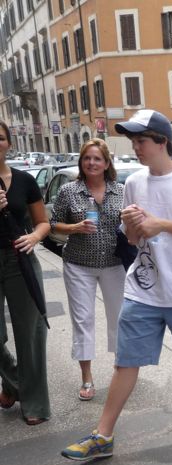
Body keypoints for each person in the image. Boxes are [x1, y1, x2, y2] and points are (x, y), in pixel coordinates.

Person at [62, 109, 172, 461]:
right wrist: (133, 226)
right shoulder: (134, 183)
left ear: (162, 142)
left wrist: (161, 224)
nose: (136, 147)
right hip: (143, 288)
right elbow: (132, 239)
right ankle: (103, 435)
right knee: (126, 362)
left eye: (141, 140)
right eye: (133, 141)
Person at [51, 139, 126, 401]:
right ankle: (87, 377)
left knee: (119, 317)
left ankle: (121, 370)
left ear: (106, 163)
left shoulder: (121, 191)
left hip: (115, 264)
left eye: (97, 158)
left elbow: (129, 225)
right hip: (78, 264)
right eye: (87, 158)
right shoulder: (69, 191)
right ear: (81, 162)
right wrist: (74, 228)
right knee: (83, 319)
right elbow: (52, 224)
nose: (91, 163)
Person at [0, 120, 51, 425]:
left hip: (21, 259)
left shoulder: (24, 180)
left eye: (0, 138)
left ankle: (35, 403)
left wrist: (34, 237)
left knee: (30, 334)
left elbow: (43, 222)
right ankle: (16, 382)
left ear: (9, 143)